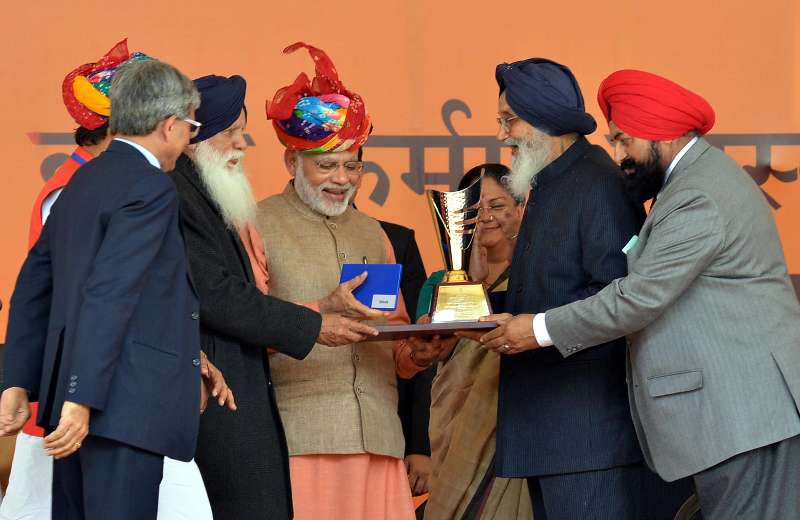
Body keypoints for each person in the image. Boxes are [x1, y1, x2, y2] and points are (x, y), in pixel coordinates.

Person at [478, 68, 800, 519]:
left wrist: (537, 329)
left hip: (745, 417)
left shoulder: (697, 195)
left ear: (660, 135)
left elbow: (638, 297)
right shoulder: (689, 184)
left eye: (625, 141)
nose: (619, 154)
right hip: (732, 419)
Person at [460, 59, 691, 520]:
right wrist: (480, 313)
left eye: (511, 120)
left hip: (588, 439)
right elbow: (552, 289)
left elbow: (619, 296)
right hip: (553, 435)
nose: (503, 135)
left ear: (546, 118)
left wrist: (534, 329)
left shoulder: (598, 183)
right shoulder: (550, 182)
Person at [0, 58, 231, 520]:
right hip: (119, 410)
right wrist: (82, 400)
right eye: (190, 127)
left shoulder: (83, 179)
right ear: (169, 125)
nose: (190, 140)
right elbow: (112, 292)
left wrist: (17, 381)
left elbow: (33, 285)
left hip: (75, 407)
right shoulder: (151, 188)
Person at [170, 73, 379, 520]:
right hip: (213, 396)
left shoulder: (206, 195)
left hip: (238, 397)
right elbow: (216, 294)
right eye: (231, 133)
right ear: (193, 137)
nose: (243, 145)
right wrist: (315, 324)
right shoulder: (178, 194)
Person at [255, 41, 430, 520]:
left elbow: (391, 340)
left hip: (379, 441)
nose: (342, 178)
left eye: (352, 165)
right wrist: (319, 314)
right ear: (291, 162)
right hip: (300, 442)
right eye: (326, 164)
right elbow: (241, 330)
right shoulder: (255, 224)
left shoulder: (374, 234)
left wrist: (420, 349)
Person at [414, 163, 532, 520]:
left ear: (519, 208)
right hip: (456, 432)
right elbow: (425, 355)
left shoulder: (535, 278)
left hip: (514, 431)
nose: (485, 219)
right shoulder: (440, 282)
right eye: (473, 211)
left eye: (496, 207)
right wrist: (472, 286)